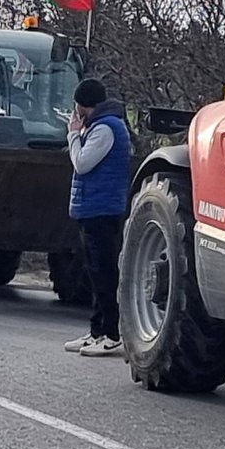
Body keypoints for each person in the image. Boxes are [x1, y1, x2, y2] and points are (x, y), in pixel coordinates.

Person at [63, 78, 131, 357]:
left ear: (83, 105)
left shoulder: (105, 129)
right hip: (92, 207)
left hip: (102, 209)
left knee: (104, 273)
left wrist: (73, 135)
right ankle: (96, 331)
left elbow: (82, 163)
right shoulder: (100, 126)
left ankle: (111, 333)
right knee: (93, 272)